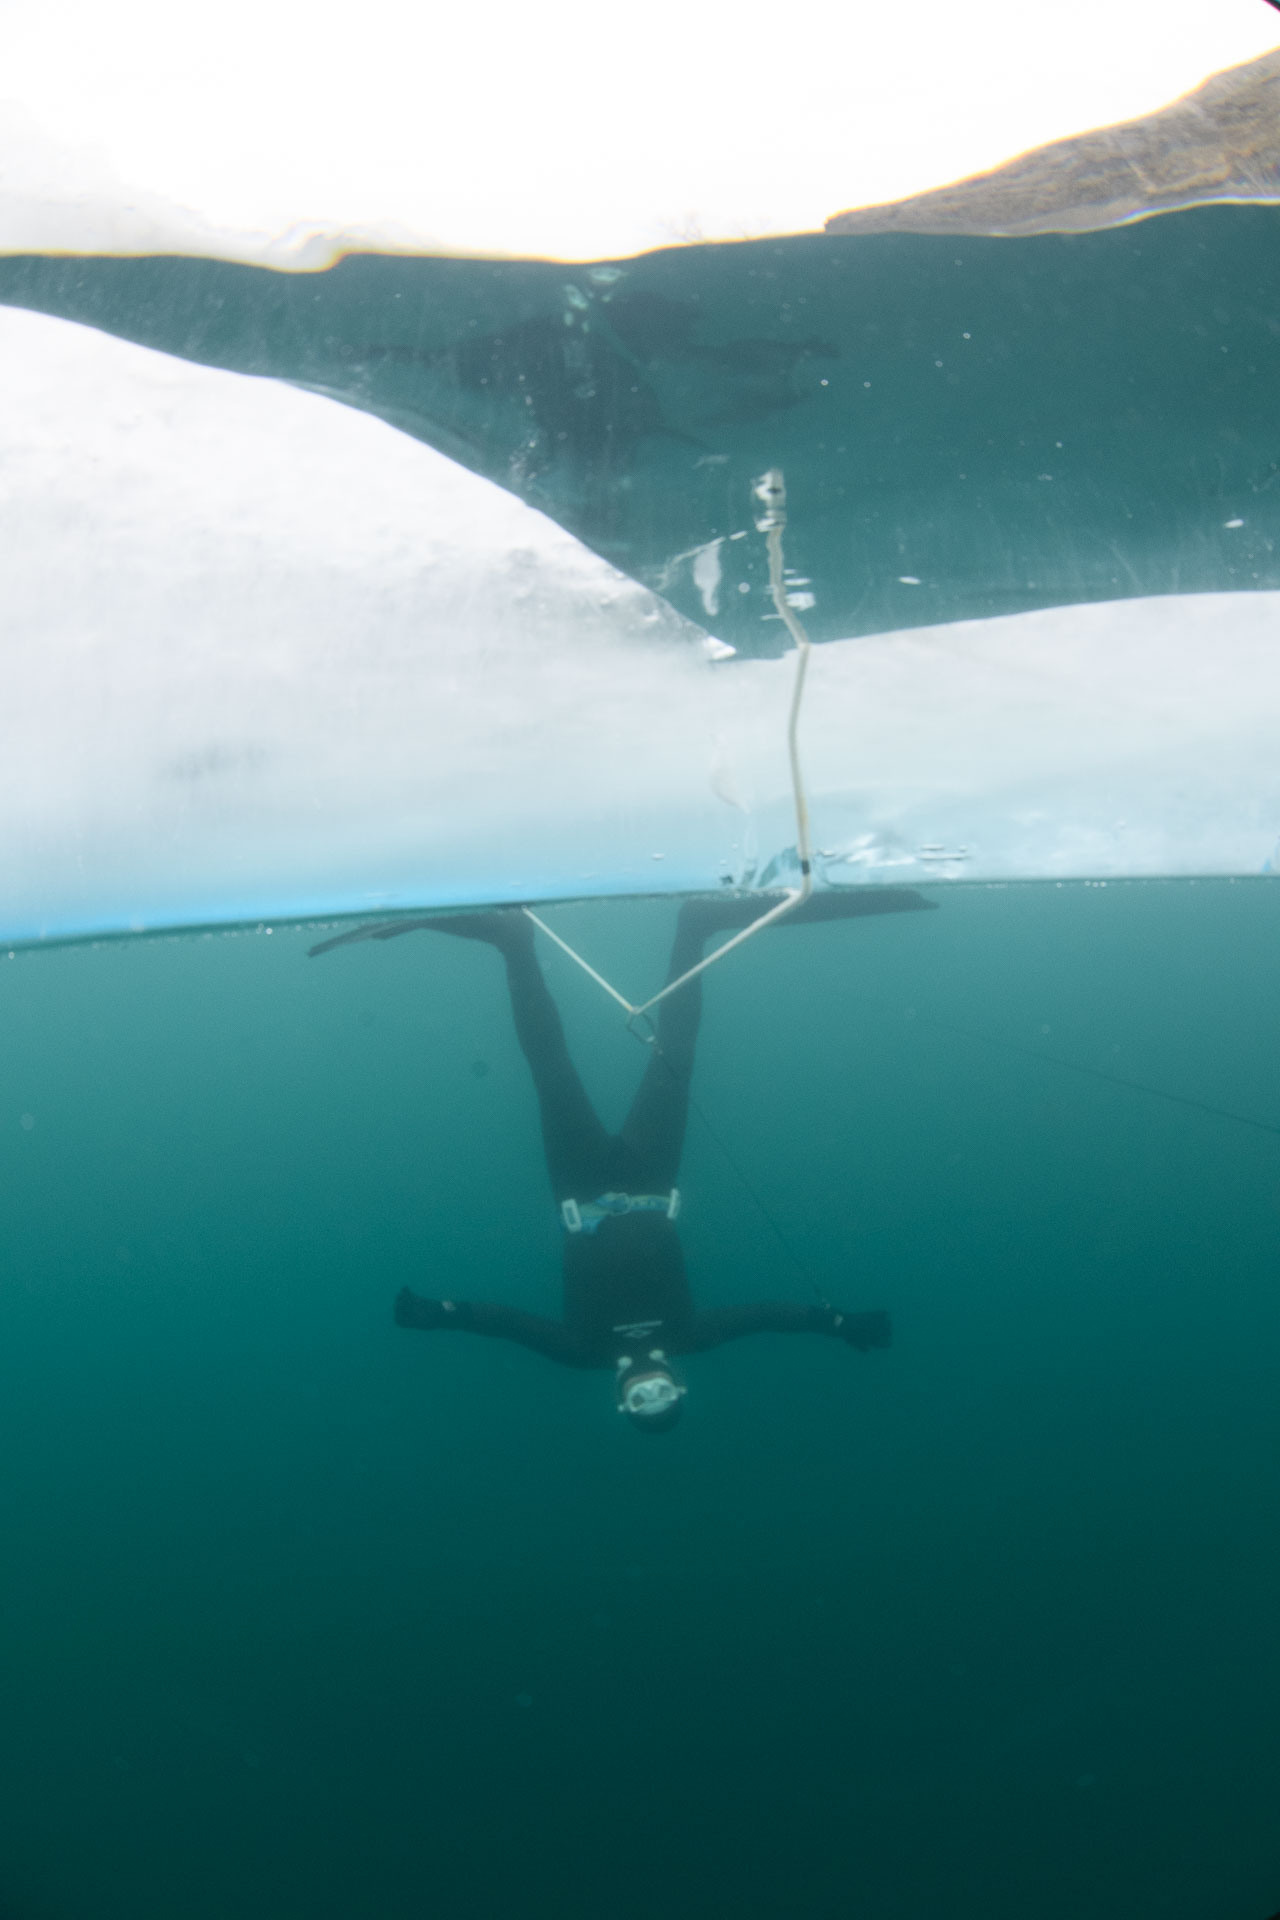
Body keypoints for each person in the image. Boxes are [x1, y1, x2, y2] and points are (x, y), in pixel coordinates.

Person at [311, 889, 934, 1433]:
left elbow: (506, 1325)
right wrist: (837, 1324)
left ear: (621, 1399)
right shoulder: (690, 1337)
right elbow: (767, 1317)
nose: (651, 1389)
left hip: (578, 1184)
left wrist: (441, 1316)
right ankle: (696, 925)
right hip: (652, 1174)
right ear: (679, 1386)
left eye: (642, 1402)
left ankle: (512, 941)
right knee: (678, 1054)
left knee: (550, 1072)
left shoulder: (580, 1351)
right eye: (664, 1397)